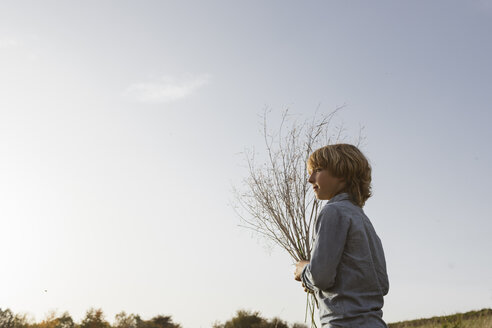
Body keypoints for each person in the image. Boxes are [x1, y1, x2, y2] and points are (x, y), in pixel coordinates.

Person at [294, 144, 389, 327]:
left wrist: (304, 270)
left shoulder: (333, 211)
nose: (310, 179)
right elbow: (382, 285)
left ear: (343, 173)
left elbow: (320, 277)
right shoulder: (363, 220)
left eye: (318, 170)